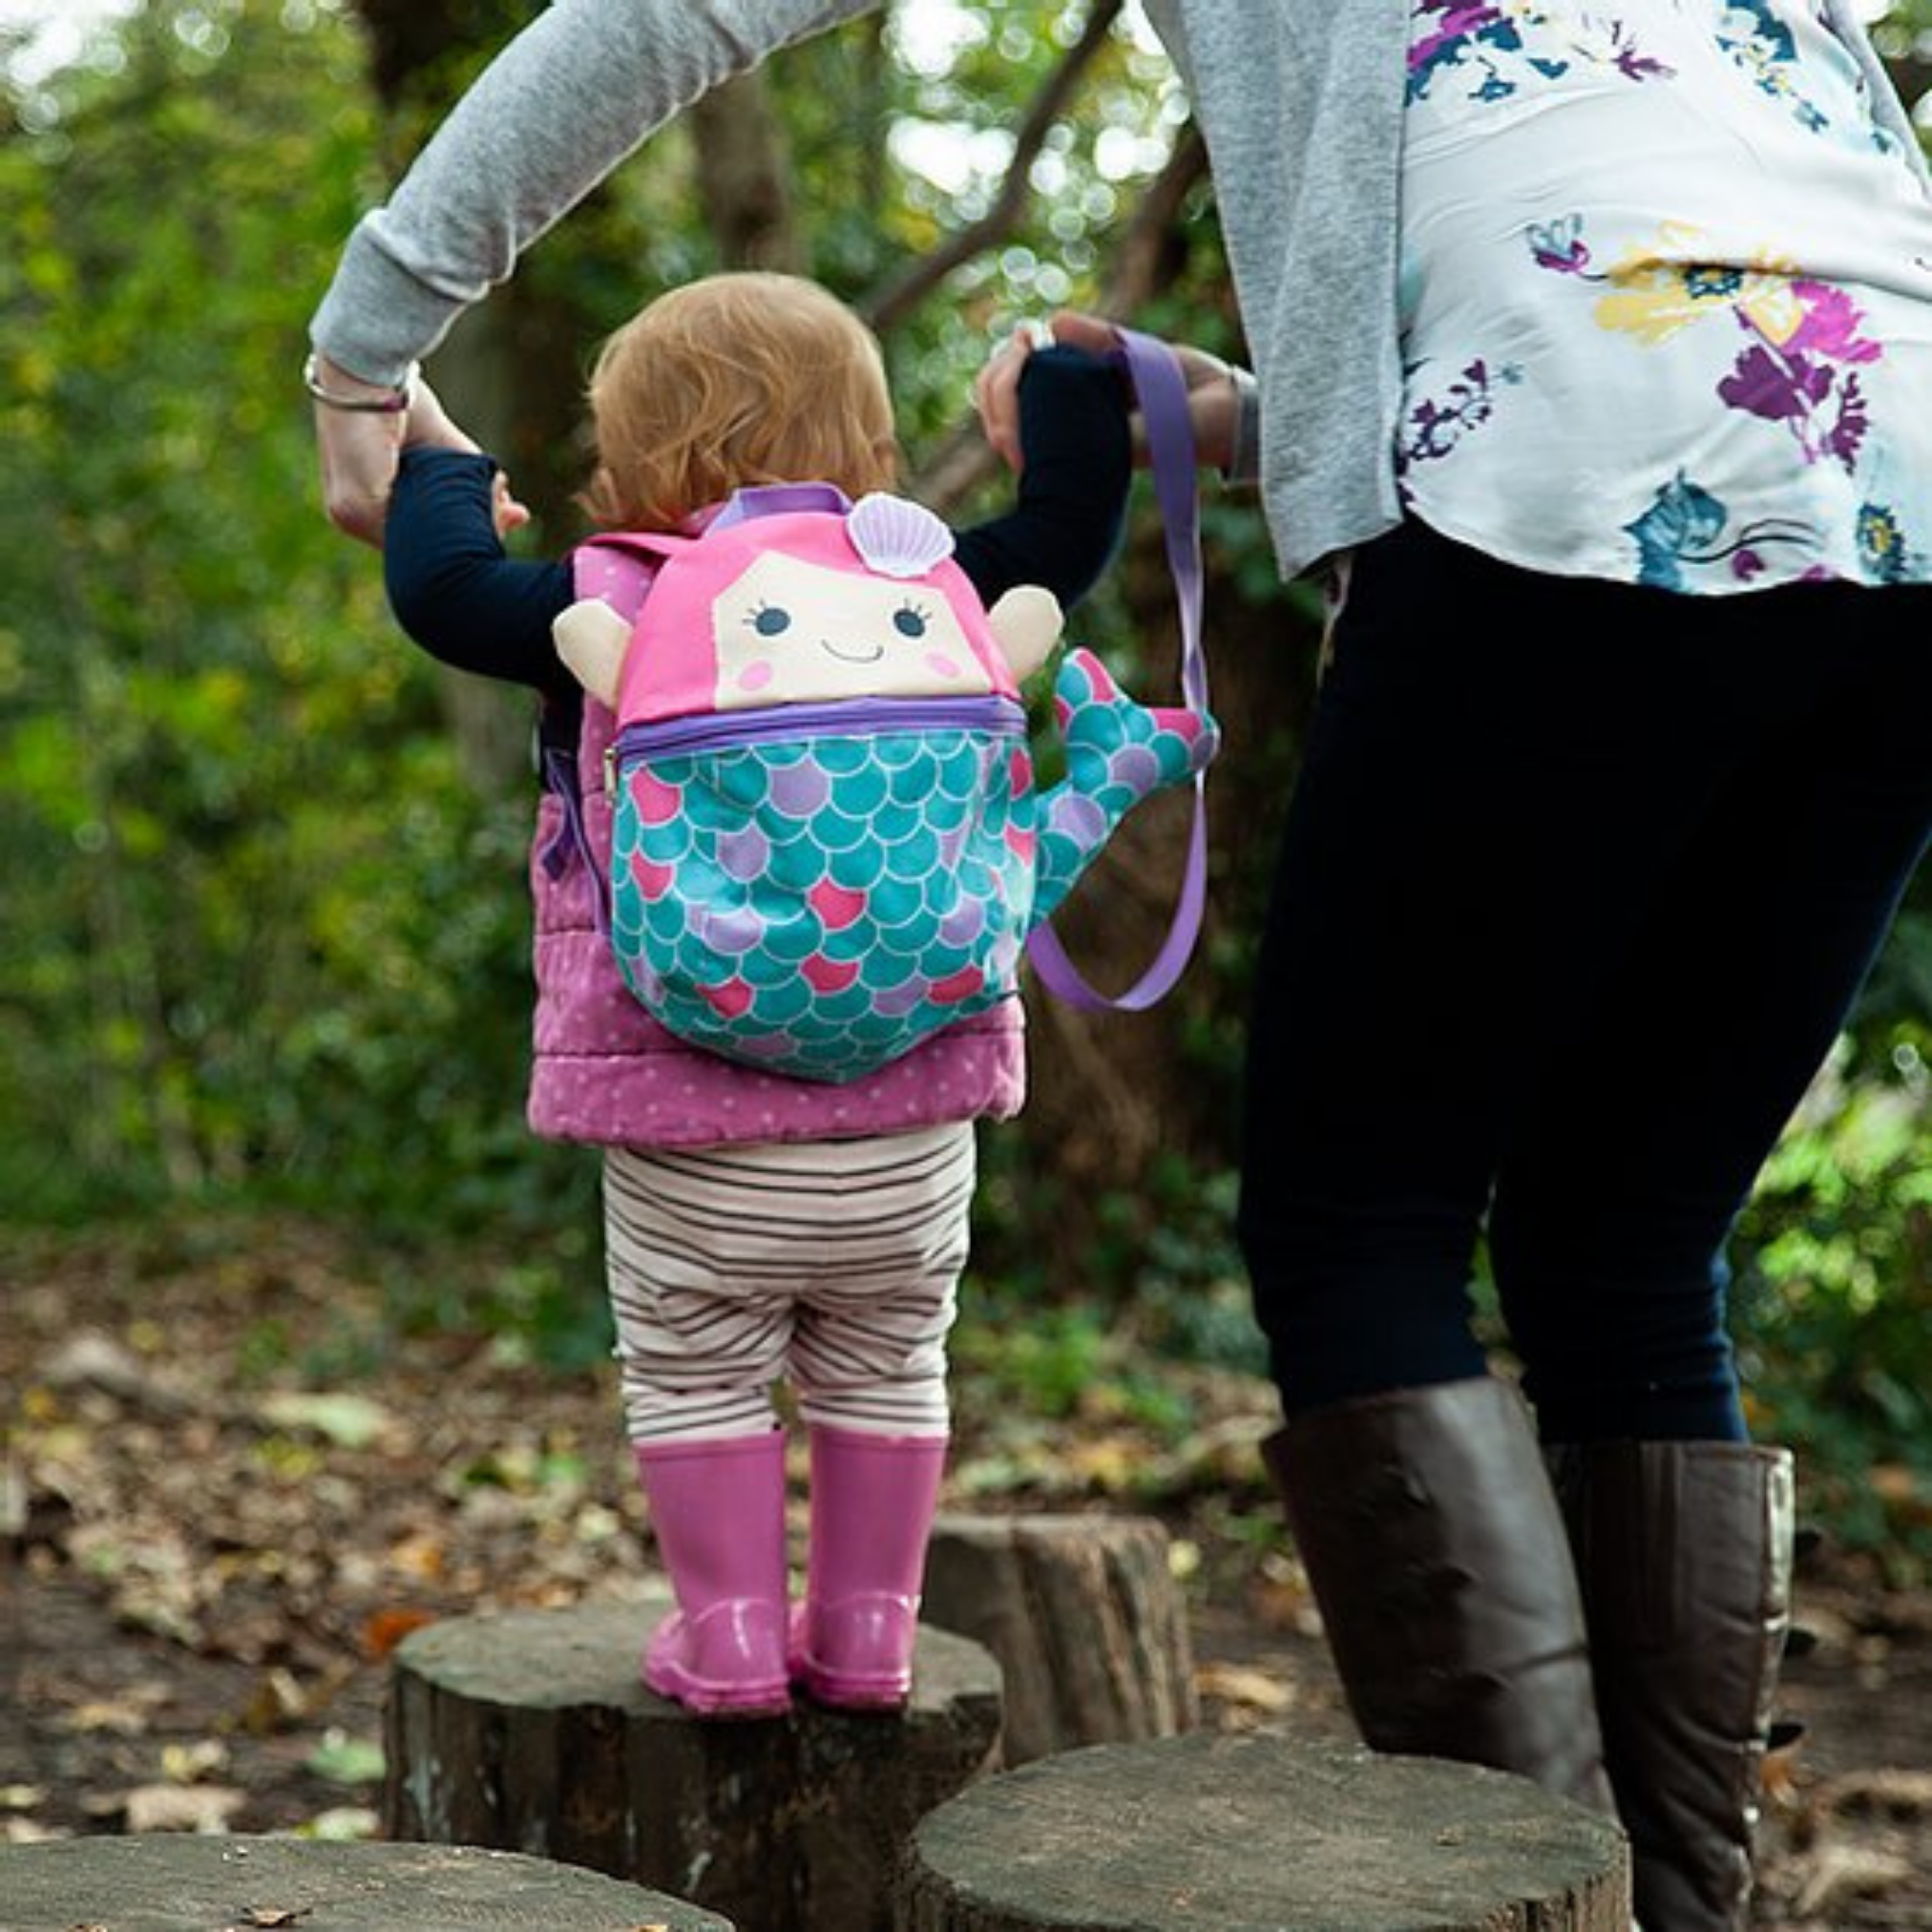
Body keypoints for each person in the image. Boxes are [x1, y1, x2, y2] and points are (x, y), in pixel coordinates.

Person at [308, 3, 1932, 1921]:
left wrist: (371, 340)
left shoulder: (637, 603)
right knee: (1631, 1244)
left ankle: (1543, 1911)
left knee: (1364, 1229)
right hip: (1895, 450)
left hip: (1564, 445)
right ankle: (1673, 1906)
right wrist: (1223, 411)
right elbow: (1662, 227)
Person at [364, 261, 1189, 1721]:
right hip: (914, 1120)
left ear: (630, 455)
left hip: (683, 1124)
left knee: (695, 1377)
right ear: (868, 445)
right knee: (891, 1367)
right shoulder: (939, 590)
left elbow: (439, 591)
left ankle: (732, 1640)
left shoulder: (607, 599)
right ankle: (869, 1639)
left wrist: (440, 462)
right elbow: (1071, 526)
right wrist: (1063, 380)